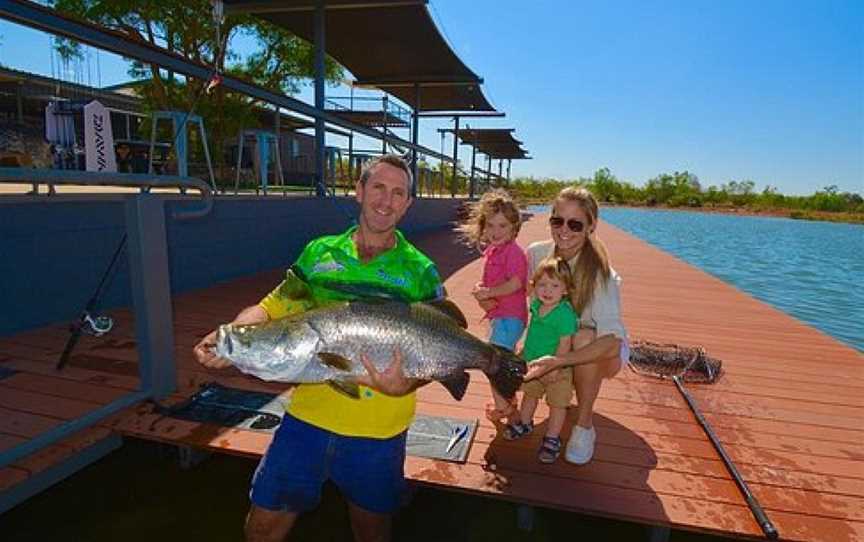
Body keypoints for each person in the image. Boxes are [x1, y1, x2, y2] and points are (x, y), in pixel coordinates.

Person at [193, 154, 443, 542]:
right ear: (358, 191)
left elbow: (433, 348)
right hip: (307, 422)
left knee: (372, 531)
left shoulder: (422, 271)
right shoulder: (318, 253)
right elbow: (270, 306)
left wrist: (405, 386)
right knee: (261, 529)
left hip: (379, 431)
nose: (386, 200)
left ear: (408, 203)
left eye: (398, 193)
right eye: (378, 187)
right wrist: (230, 337)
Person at [523, 187, 629, 465]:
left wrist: (560, 360)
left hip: (601, 350)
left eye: (575, 224)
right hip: (555, 340)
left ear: (591, 226)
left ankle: (584, 425)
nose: (564, 230)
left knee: (583, 337)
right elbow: (525, 306)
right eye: (557, 221)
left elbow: (613, 341)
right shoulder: (537, 254)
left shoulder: (603, 275)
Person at [459, 189, 528, 426]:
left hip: (510, 319)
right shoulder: (494, 250)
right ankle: (507, 402)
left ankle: (505, 409)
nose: (495, 232)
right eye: (491, 225)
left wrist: (489, 293)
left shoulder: (514, 253)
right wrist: (482, 288)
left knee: (494, 363)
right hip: (500, 317)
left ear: (514, 228)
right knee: (501, 361)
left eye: (503, 226)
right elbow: (495, 281)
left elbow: (516, 283)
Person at [502, 257, 578, 464]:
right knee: (530, 394)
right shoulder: (536, 305)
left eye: (555, 285)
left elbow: (565, 343)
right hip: (533, 362)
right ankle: (525, 423)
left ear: (565, 290)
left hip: (557, 368)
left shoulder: (564, 314)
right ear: (535, 287)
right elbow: (534, 331)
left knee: (557, 404)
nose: (548, 290)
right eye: (542, 284)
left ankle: (552, 438)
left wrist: (555, 365)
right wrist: (524, 349)